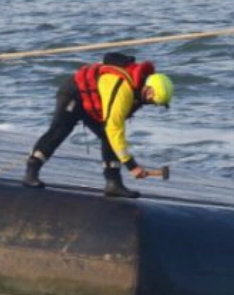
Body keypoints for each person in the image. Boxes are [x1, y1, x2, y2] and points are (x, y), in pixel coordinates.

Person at [22, 52, 174, 198]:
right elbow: (114, 128)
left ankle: (113, 184)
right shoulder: (123, 90)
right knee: (60, 130)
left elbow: (112, 130)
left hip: (92, 103)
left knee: (109, 138)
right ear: (148, 90)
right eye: (152, 101)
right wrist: (131, 165)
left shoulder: (137, 89)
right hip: (75, 94)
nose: (150, 105)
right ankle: (31, 172)